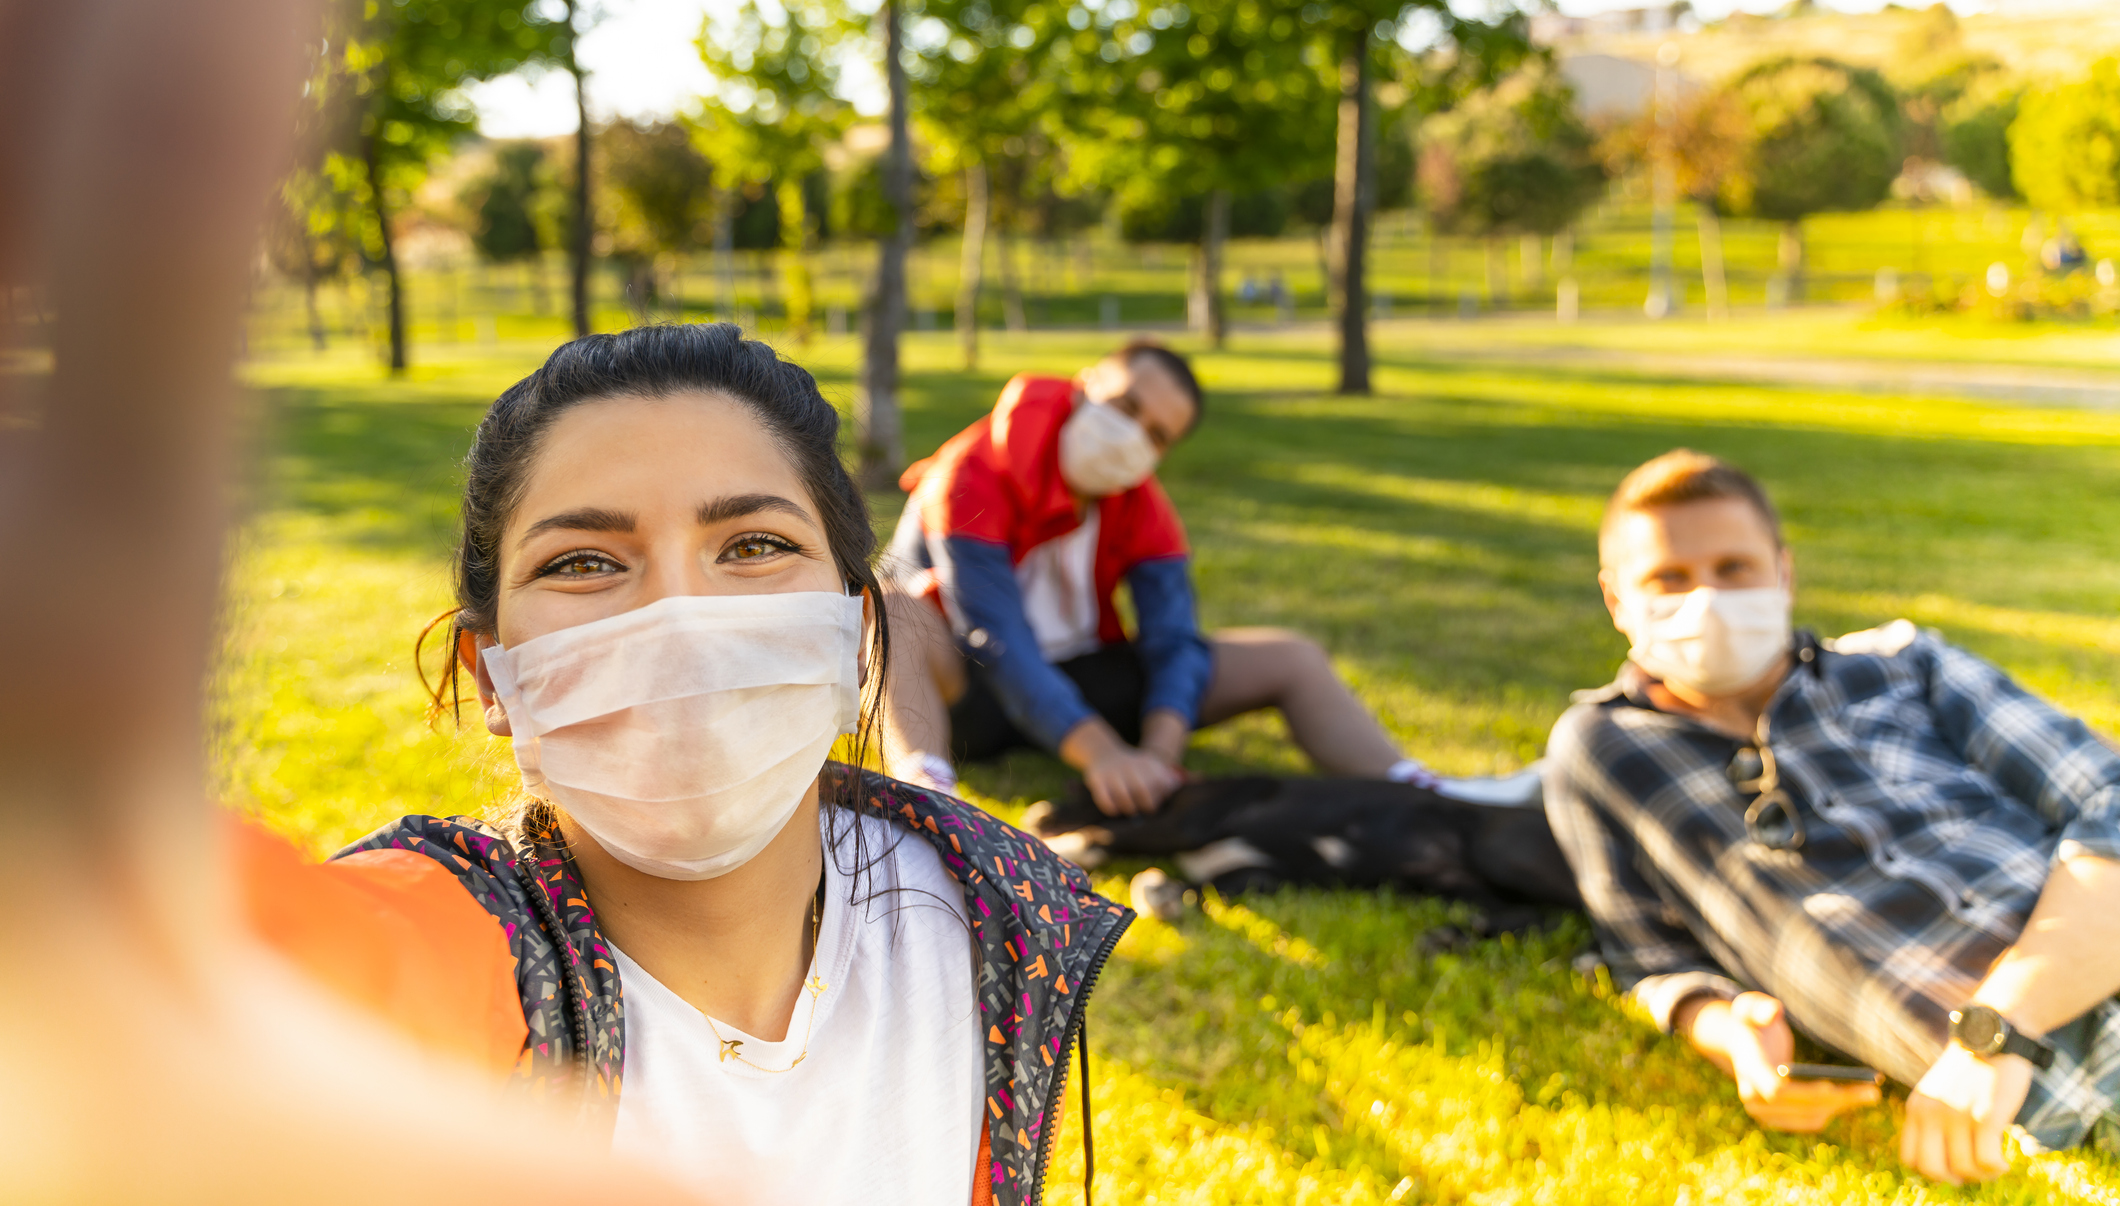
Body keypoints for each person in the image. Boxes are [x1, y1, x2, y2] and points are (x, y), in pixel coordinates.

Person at [326, 325, 1131, 1206]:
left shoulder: (992, 920)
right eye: (584, 562)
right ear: (493, 676)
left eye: (753, 546)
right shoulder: (423, 953)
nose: (682, 620)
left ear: (857, 632)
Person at [1544, 449, 2120, 1185]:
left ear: (1782, 573)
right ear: (1615, 600)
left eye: (1733, 569)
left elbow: (2109, 797)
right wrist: (1733, 1036)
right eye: (1669, 579)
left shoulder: (1905, 664)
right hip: (2062, 1096)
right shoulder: (1603, 752)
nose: (1706, 602)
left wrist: (1996, 1032)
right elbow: (1647, 958)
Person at [881, 341, 1453, 817]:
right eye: (1125, 407)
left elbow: (1174, 637)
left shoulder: (1143, 504)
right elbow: (994, 635)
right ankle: (927, 792)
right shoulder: (972, 470)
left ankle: (1423, 790)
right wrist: (1102, 753)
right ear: (1083, 386)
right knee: (891, 607)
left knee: (1292, 656)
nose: (1132, 436)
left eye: (1156, 435)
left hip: (1081, 674)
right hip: (967, 692)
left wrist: (1159, 752)